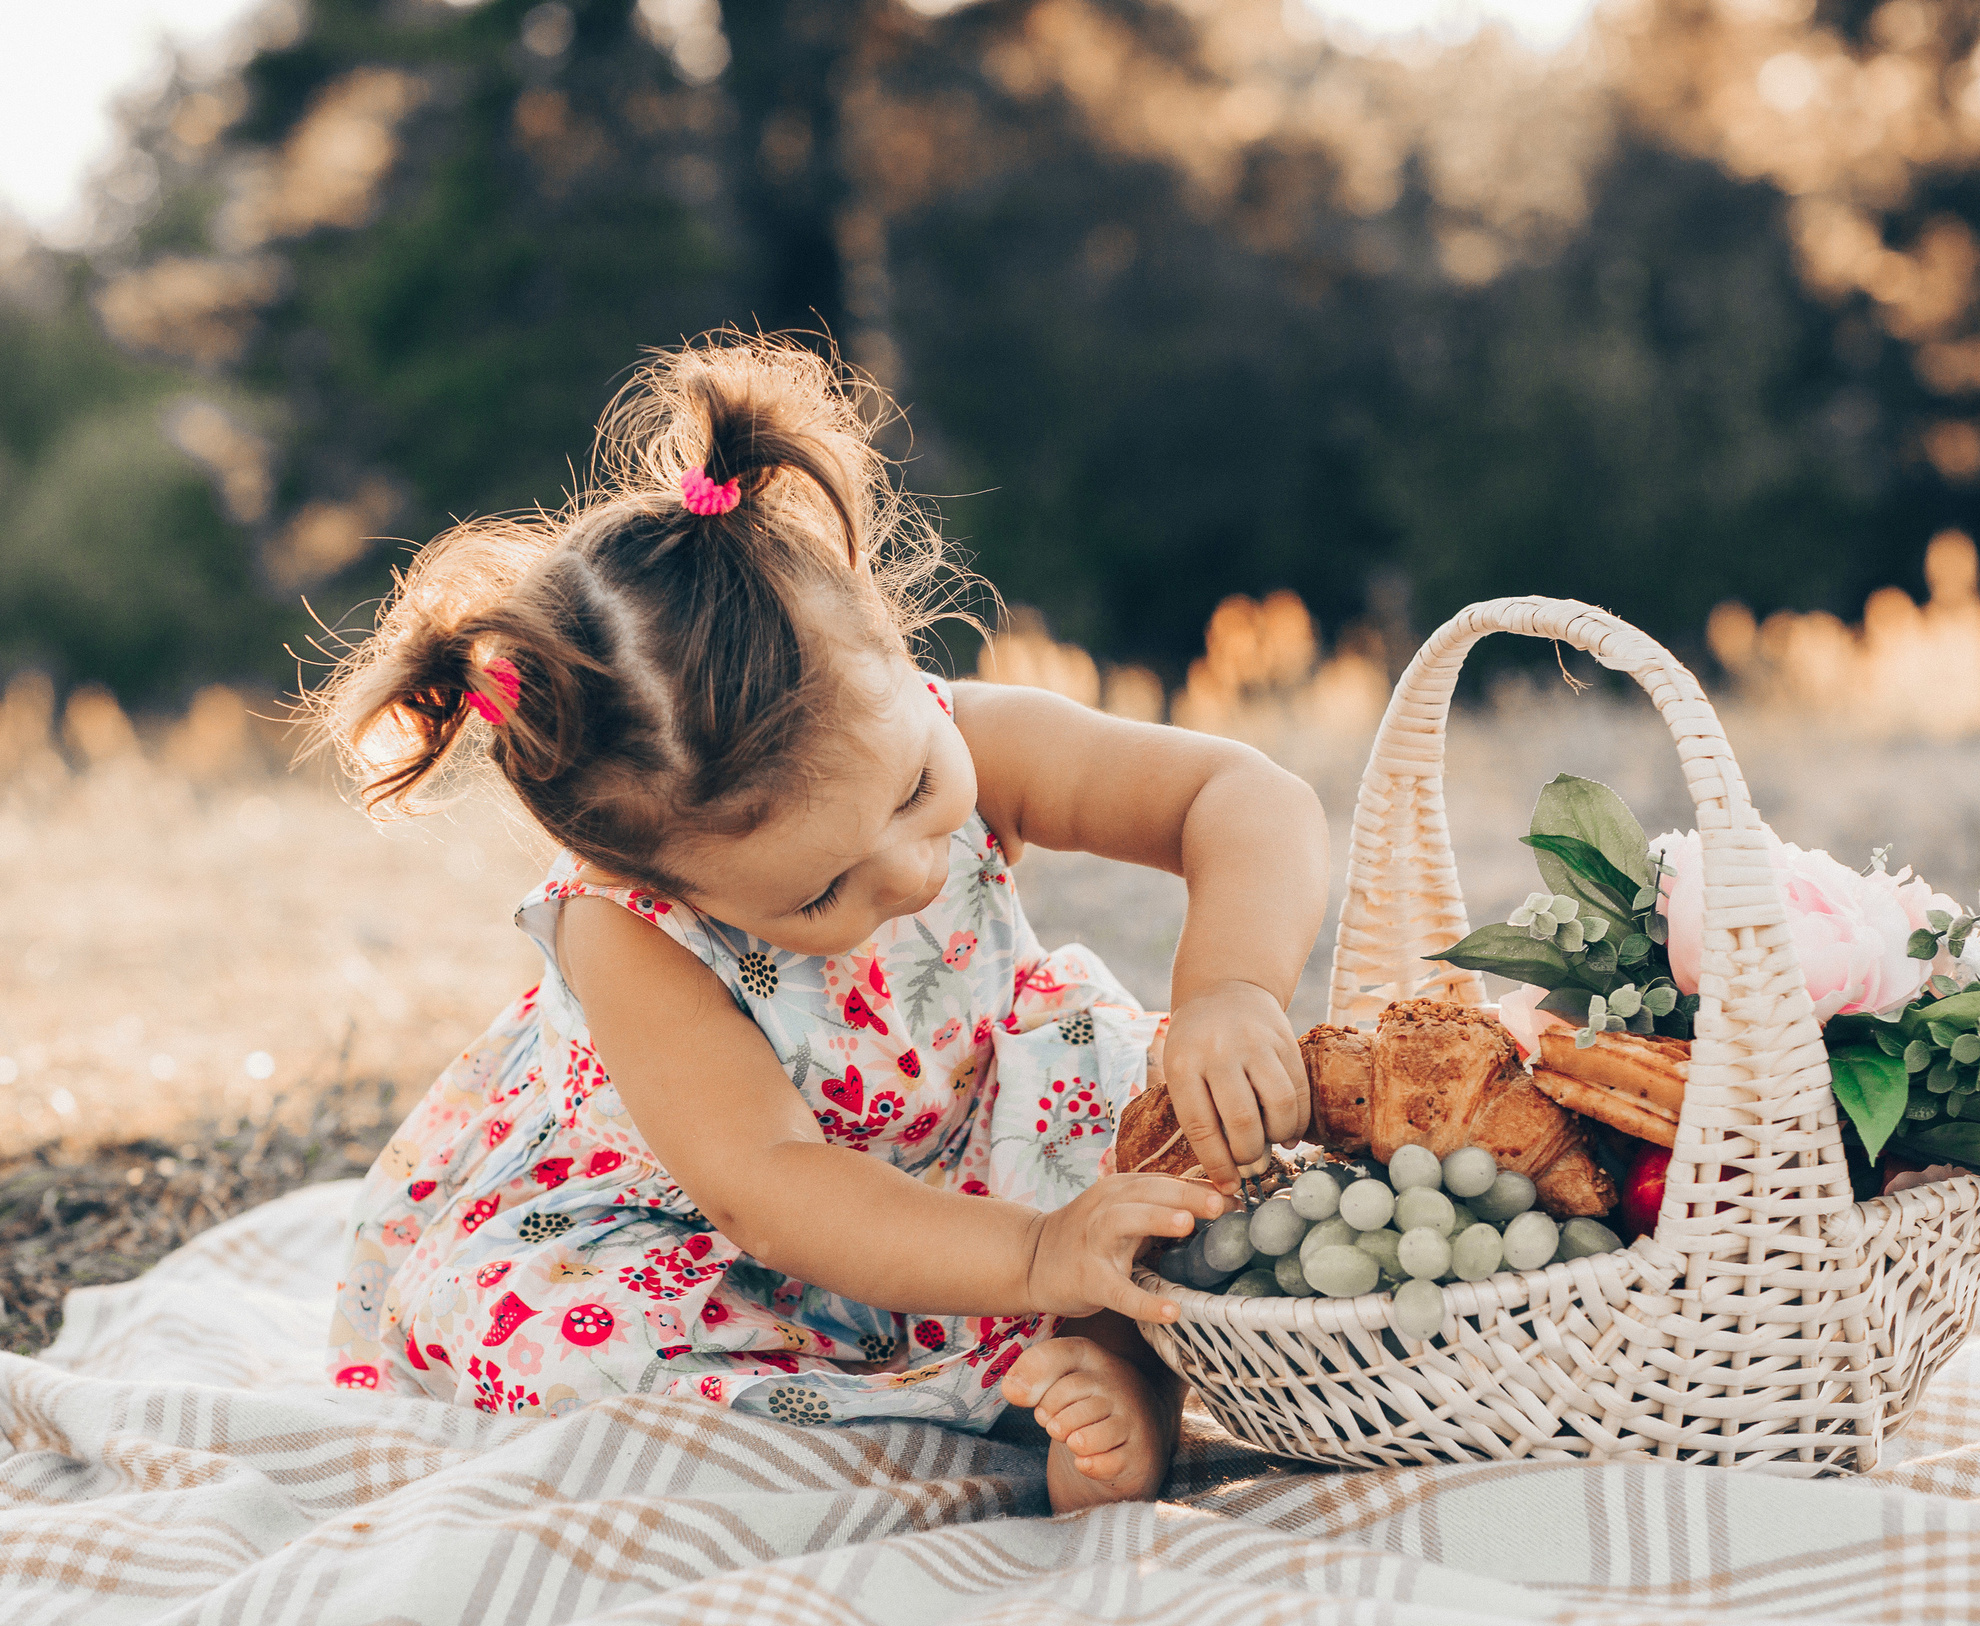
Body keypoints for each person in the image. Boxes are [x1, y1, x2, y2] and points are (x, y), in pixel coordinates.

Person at [316, 334, 1327, 1509]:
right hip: (733, 1229)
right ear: (654, 880)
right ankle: (943, 1382)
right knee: (546, 1339)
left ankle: (1113, 1355)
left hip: (980, 1142)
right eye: (814, 895)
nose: (903, 873)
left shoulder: (972, 734)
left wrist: (1233, 991)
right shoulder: (623, 932)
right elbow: (771, 1185)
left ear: (895, 655)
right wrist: (1033, 1257)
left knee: (1119, 1102)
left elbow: (1241, 797)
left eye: (912, 794)